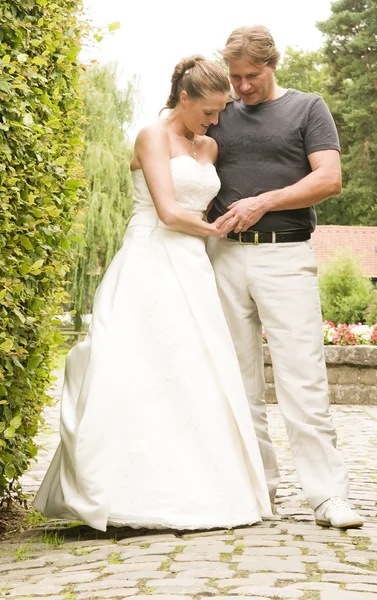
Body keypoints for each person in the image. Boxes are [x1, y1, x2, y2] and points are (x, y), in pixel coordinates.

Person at [33, 55, 272, 532]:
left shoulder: (208, 147)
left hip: (193, 264)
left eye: (221, 110)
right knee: (137, 366)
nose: (215, 119)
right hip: (151, 257)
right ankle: (123, 493)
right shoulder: (151, 135)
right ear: (183, 97)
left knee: (193, 368)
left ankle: (201, 486)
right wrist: (219, 228)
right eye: (208, 109)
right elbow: (167, 210)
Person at [206, 26, 364, 529]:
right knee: (238, 381)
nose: (243, 87)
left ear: (273, 64)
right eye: (234, 77)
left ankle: (328, 496)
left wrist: (264, 200)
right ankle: (256, 491)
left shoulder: (308, 108)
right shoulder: (219, 111)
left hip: (286, 254)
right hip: (222, 256)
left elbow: (329, 178)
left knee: (303, 377)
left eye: (251, 76)